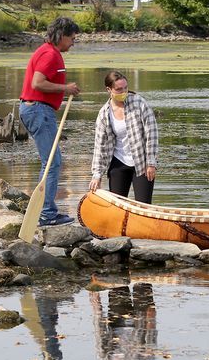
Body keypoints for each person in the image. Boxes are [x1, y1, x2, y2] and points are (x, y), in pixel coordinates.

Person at [18, 16, 81, 226]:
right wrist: (66, 89)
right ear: (61, 36)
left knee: (51, 162)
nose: (73, 42)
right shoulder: (49, 54)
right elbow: (37, 83)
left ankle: (46, 211)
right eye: (72, 38)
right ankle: (46, 214)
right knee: (52, 163)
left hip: (37, 110)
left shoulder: (49, 52)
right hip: (37, 110)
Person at [88, 70, 159, 203]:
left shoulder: (139, 103)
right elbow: (100, 146)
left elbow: (152, 133)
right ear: (109, 90)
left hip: (141, 162)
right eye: (119, 89)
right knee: (116, 206)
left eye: (125, 88)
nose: (123, 92)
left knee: (143, 206)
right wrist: (97, 175)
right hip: (118, 162)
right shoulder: (104, 114)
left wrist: (151, 162)